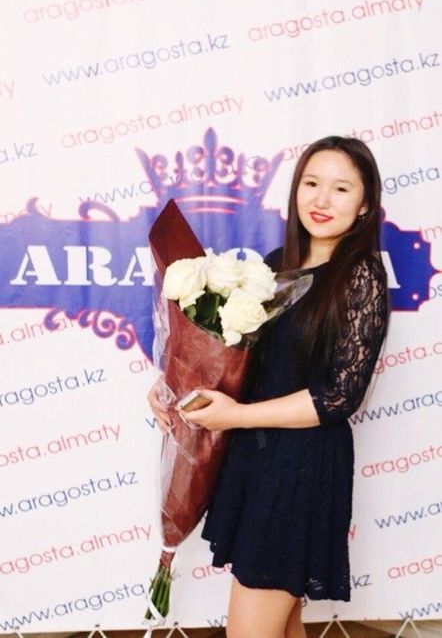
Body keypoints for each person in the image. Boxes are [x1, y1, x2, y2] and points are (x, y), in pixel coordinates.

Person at [148, 135, 390, 638]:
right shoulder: (278, 263)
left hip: (300, 471)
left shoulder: (360, 278)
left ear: (364, 204)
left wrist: (233, 416)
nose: (322, 200)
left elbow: (337, 398)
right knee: (281, 627)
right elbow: (244, 364)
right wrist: (174, 388)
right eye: (312, 183)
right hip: (256, 463)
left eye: (341, 188)